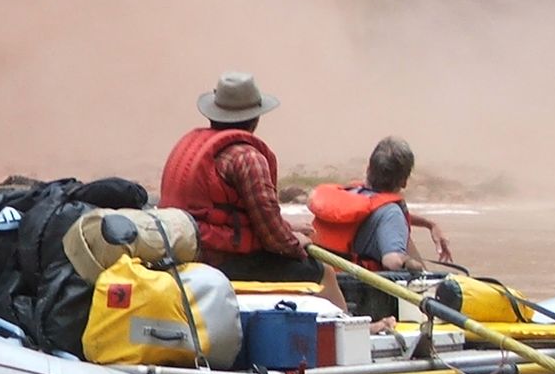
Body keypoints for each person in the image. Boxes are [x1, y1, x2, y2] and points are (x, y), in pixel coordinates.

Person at [159, 71, 344, 307]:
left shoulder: (192, 148)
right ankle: (347, 330)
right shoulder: (247, 158)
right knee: (323, 272)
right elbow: (274, 239)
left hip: (183, 253)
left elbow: (235, 217)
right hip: (222, 261)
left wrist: (286, 226)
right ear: (255, 119)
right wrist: (297, 243)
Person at [307, 136, 452, 323]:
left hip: (319, 288)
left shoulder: (351, 194)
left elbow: (379, 214)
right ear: (404, 182)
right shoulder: (391, 213)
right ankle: (428, 312)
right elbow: (392, 261)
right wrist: (411, 263)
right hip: (356, 297)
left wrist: (428, 223)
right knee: (406, 254)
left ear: (369, 168)